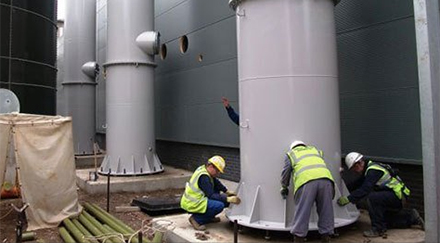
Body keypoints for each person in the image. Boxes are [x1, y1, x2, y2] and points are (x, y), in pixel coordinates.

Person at [337, 152, 425, 237]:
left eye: (353, 169)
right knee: (385, 220)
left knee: (372, 198)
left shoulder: (373, 171)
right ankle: (412, 217)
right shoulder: (370, 169)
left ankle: (378, 229)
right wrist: (343, 189)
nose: (354, 172)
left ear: (357, 165)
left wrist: (348, 199)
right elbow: (357, 184)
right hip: (395, 196)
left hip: (398, 197)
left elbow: (365, 189)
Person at [280, 141, 335, 243]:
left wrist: (284, 186)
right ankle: (326, 237)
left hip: (307, 182)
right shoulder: (316, 151)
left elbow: (286, 172)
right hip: (326, 180)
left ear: (293, 148)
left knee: (303, 211)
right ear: (304, 145)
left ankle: (299, 238)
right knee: (326, 209)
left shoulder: (291, 154)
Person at [180, 155, 241, 231]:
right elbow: (211, 195)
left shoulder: (205, 170)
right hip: (193, 202)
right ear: (211, 166)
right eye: (217, 170)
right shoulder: (204, 177)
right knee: (220, 205)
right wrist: (227, 198)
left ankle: (208, 217)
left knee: (222, 199)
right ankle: (196, 219)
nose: (218, 173)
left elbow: (216, 182)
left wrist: (226, 191)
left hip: (198, 199)